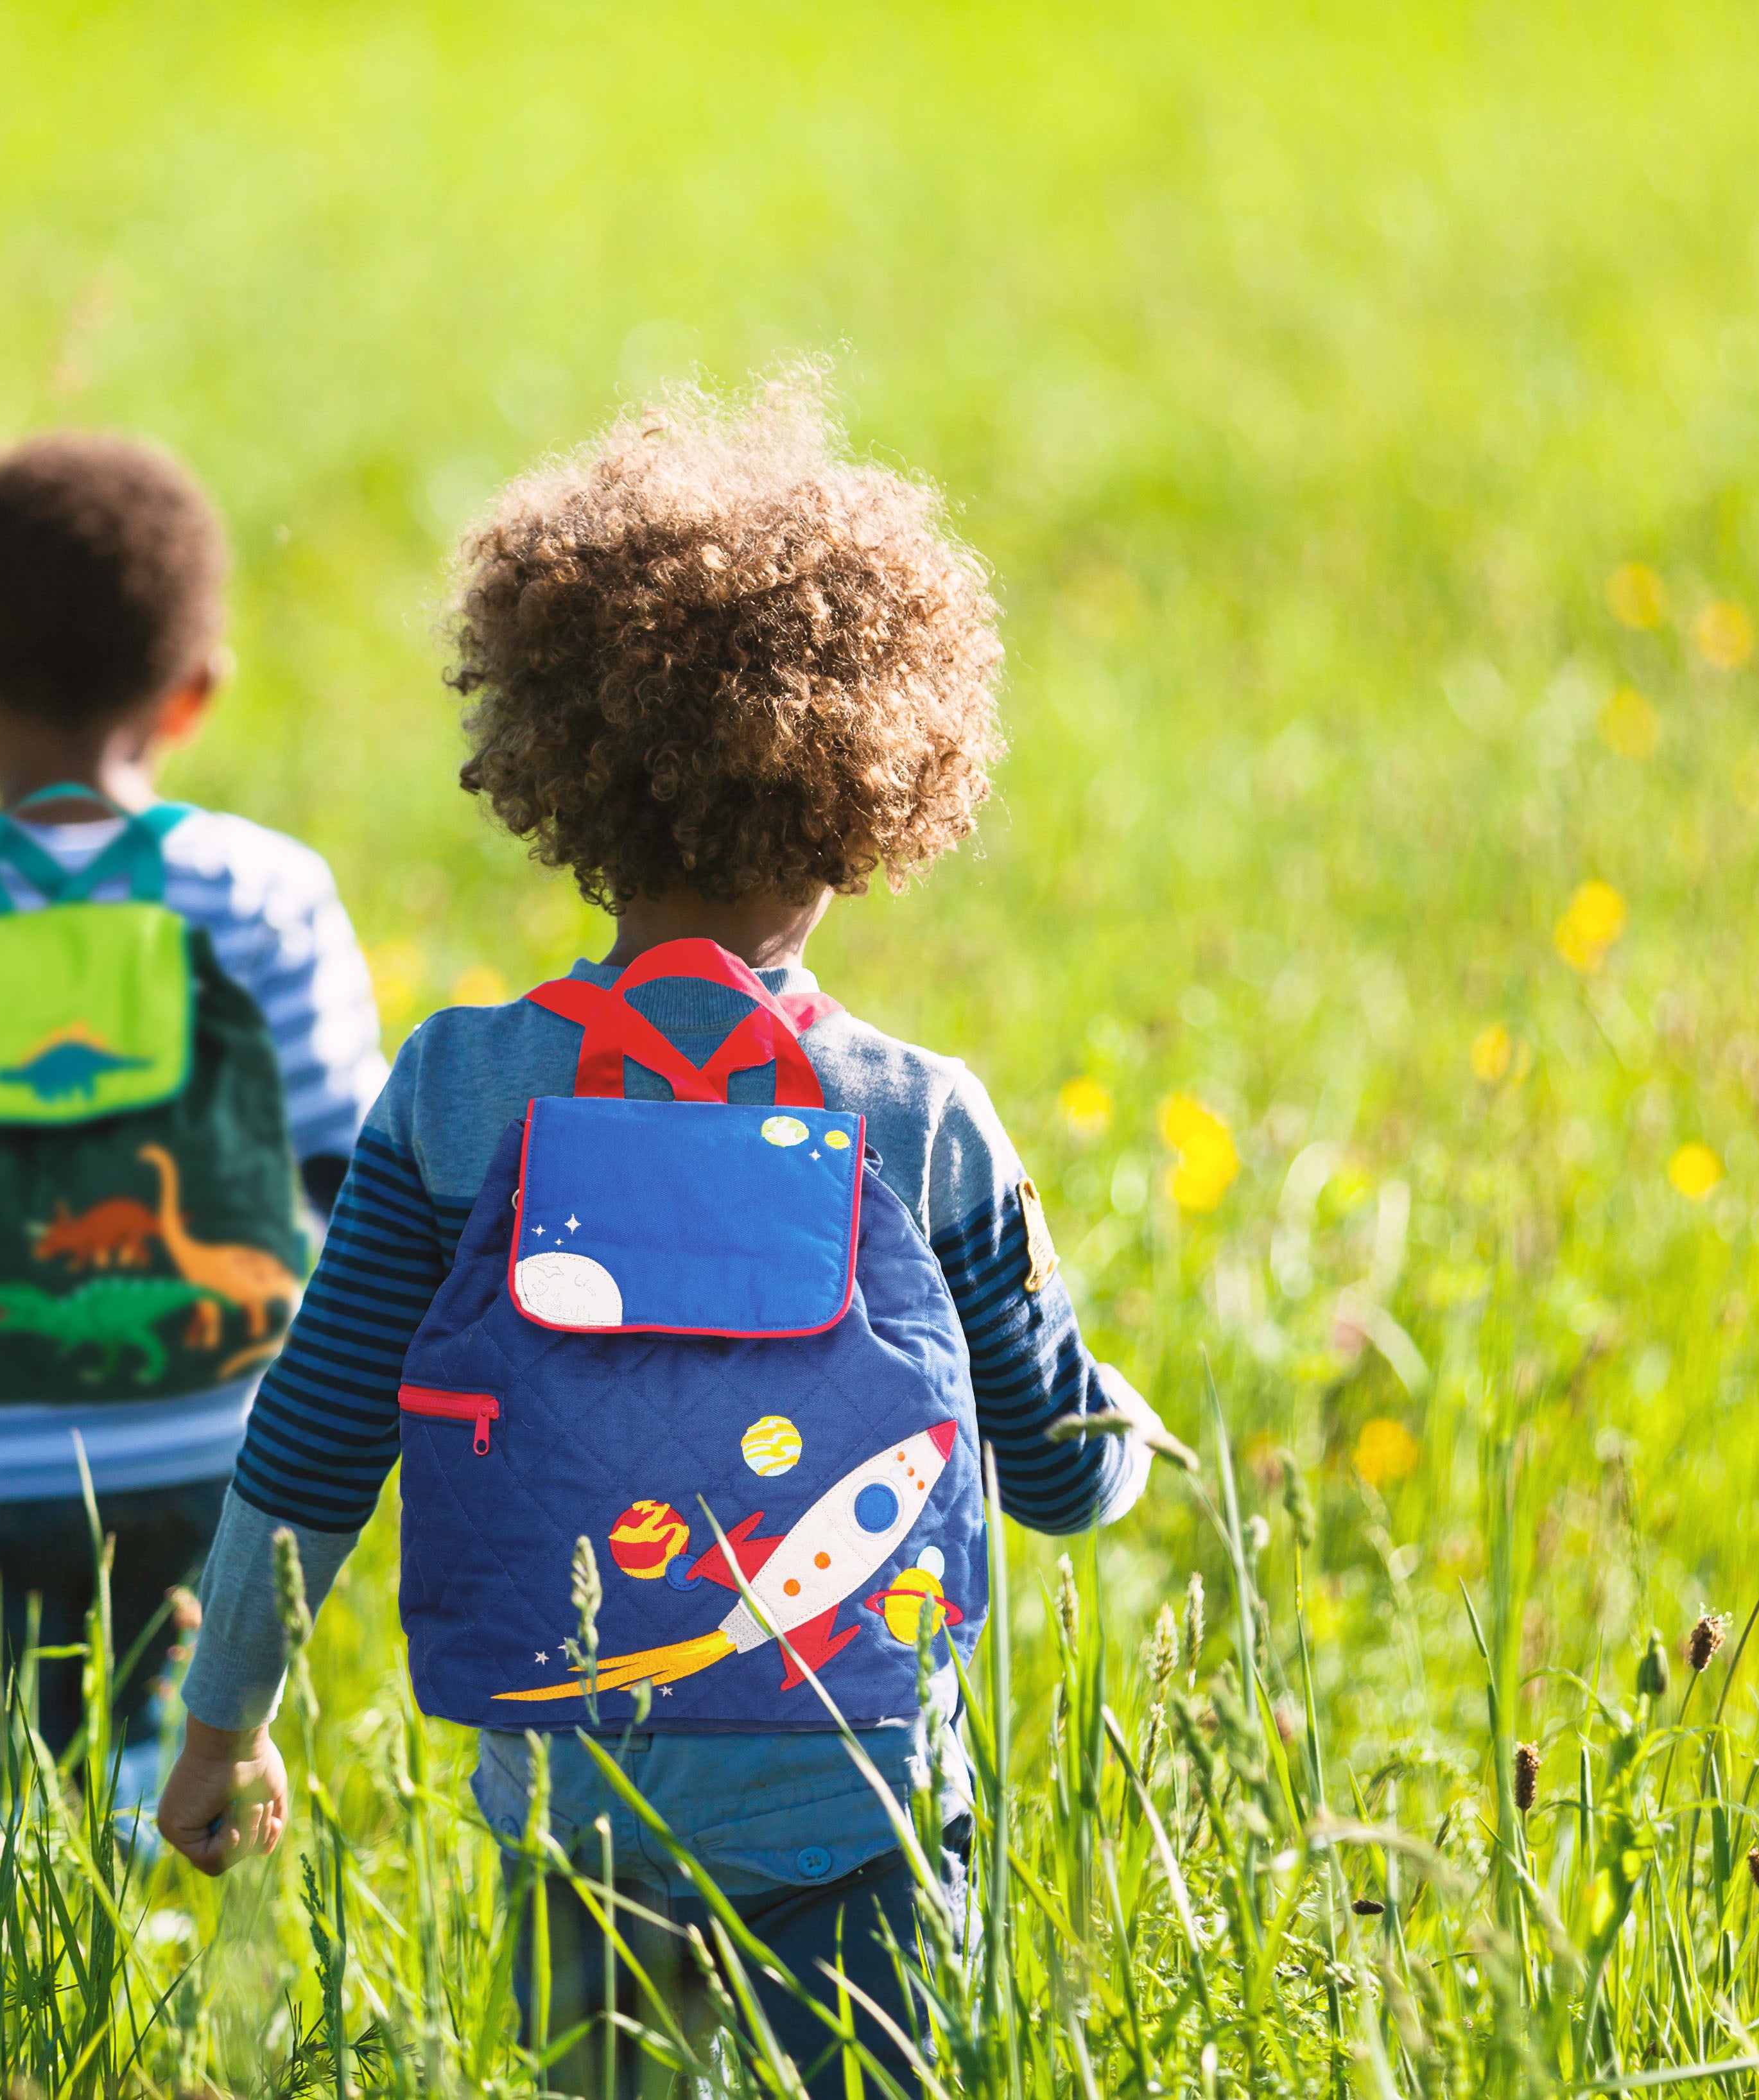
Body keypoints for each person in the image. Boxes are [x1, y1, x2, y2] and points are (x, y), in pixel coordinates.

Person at [157, 377, 1192, 2094]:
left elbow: (314, 1448)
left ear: (568, 775)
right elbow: (1063, 1472)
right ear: (875, 797)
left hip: (575, 1780)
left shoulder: (463, 1094)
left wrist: (224, 1726)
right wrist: (1137, 1439)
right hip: (845, 1787)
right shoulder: (916, 1114)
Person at [0, 434, 386, 1807]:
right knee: (194, 1804)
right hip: (216, 1458)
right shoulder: (264, 893)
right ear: (193, 693)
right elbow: (351, 1170)